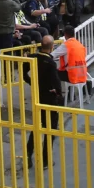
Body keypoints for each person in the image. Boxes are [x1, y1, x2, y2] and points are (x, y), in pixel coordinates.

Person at [24, 35, 63, 169]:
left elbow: (24, 73)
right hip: (49, 99)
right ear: (52, 47)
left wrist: (33, 83)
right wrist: (59, 98)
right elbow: (57, 85)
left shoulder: (33, 58)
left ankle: (28, 155)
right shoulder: (51, 63)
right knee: (50, 130)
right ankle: (46, 159)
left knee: (36, 128)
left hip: (37, 96)